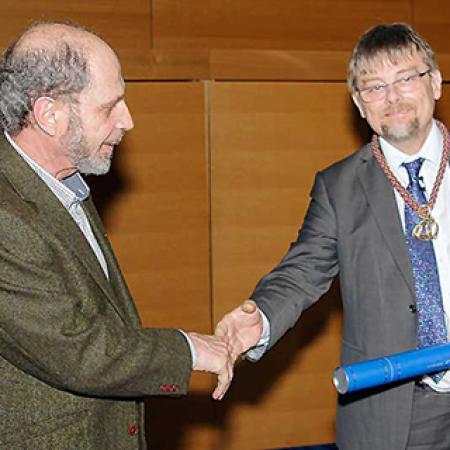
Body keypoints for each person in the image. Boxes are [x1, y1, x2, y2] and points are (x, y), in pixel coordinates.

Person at [216, 23, 450, 450]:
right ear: (360, 104)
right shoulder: (339, 187)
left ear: (434, 82)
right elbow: (303, 271)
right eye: (374, 87)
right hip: (393, 407)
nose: (392, 97)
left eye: (405, 79)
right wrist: (261, 319)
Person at [0, 22, 232, 449]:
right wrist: (191, 350)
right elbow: (78, 350)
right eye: (110, 107)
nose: (128, 120)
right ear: (49, 114)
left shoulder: (63, 178)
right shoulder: (6, 217)